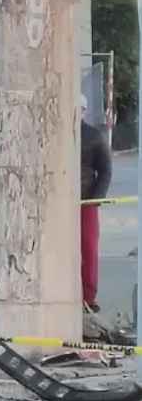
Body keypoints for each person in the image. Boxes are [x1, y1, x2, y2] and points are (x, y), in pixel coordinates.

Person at [80, 94, 112, 313]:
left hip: (86, 202)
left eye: (78, 109)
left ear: (83, 110)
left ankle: (88, 298)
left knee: (88, 249)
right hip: (60, 202)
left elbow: (106, 171)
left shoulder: (94, 136)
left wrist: (95, 200)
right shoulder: (58, 134)